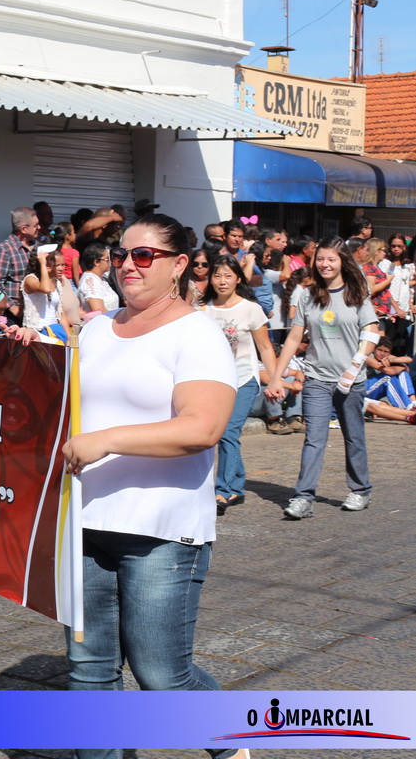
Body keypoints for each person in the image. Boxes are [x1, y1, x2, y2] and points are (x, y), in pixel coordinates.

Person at [61, 213, 243, 759]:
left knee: (163, 677)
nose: (128, 265)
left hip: (161, 532)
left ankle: (232, 743)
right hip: (84, 522)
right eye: (121, 255)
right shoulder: (96, 328)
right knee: (90, 670)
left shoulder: (197, 334)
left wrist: (109, 440)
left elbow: (202, 428)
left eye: (144, 256)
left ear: (179, 264)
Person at [267, 237, 379, 519]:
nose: (325, 264)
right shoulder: (308, 295)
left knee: (353, 437)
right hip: (316, 378)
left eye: (331, 259)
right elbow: (294, 338)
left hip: (350, 381)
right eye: (320, 259)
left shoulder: (357, 293)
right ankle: (303, 497)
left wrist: (355, 366)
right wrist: (276, 377)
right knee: (314, 439)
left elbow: (372, 333)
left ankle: (361, 489)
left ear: (342, 261)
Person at [202, 255, 281, 506]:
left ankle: (222, 491)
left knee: (228, 433)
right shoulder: (202, 310)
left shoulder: (251, 309)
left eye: (228, 276)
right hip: (214, 383)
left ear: (238, 278)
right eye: (217, 275)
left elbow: (265, 348)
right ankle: (237, 486)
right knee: (225, 436)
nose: (222, 281)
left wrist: (275, 380)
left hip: (244, 379)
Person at [0, 206, 40, 321]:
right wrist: (12, 307)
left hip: (36, 310)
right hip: (15, 314)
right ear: (24, 229)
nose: (39, 228)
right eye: (35, 225)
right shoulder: (5, 250)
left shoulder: (37, 246)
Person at [21, 246, 71, 342]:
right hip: (37, 332)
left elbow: (60, 312)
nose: (48, 262)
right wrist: (43, 265)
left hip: (55, 332)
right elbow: (45, 289)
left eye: (51, 259)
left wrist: (69, 337)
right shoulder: (30, 279)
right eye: (45, 259)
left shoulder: (56, 282)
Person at [77, 241, 118, 315]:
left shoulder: (101, 279)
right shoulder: (90, 281)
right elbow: (99, 311)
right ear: (96, 262)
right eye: (107, 259)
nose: (110, 262)